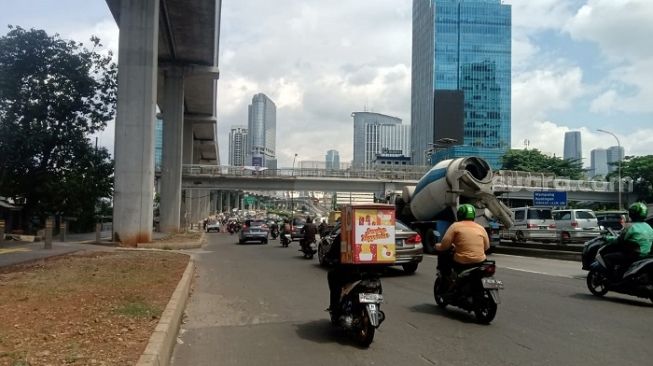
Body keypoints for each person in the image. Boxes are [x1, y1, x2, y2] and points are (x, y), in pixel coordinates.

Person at [435, 204, 490, 277]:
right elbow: (486, 247)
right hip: (480, 262)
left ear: (459, 215)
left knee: (444, 255)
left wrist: (438, 246)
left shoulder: (455, 226)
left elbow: (445, 246)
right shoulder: (481, 228)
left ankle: (445, 277)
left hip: (462, 262)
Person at [602, 202, 653, 276]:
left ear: (632, 214)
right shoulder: (648, 226)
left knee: (607, 257)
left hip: (634, 254)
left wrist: (607, 238)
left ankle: (614, 278)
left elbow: (619, 240)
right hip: (646, 254)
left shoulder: (630, 226)